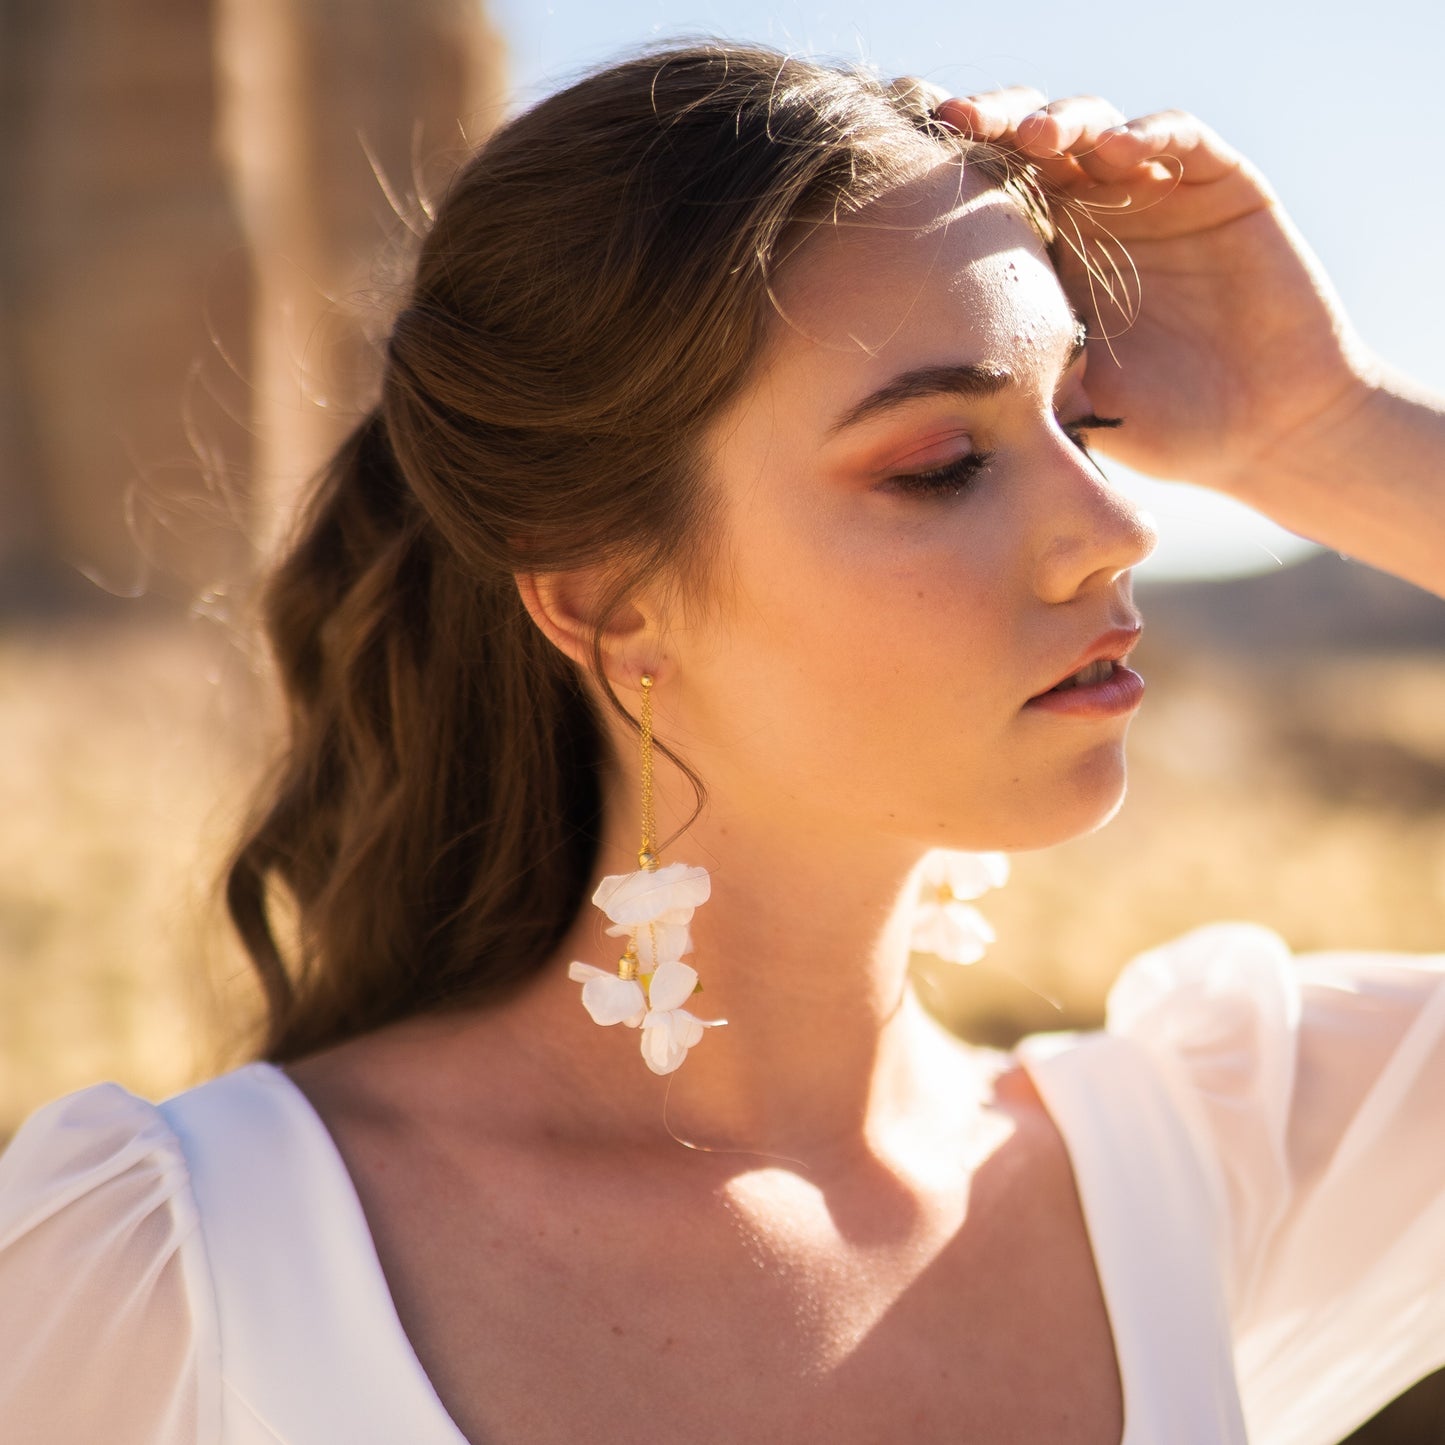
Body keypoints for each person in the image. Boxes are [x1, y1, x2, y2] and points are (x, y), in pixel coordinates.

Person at [1, 40, 1442, 1445]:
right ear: (612, 604)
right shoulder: (179, 1259)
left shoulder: (1223, 1154)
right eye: (941, 465)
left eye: (1085, 415)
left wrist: (1318, 425)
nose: (1120, 525)